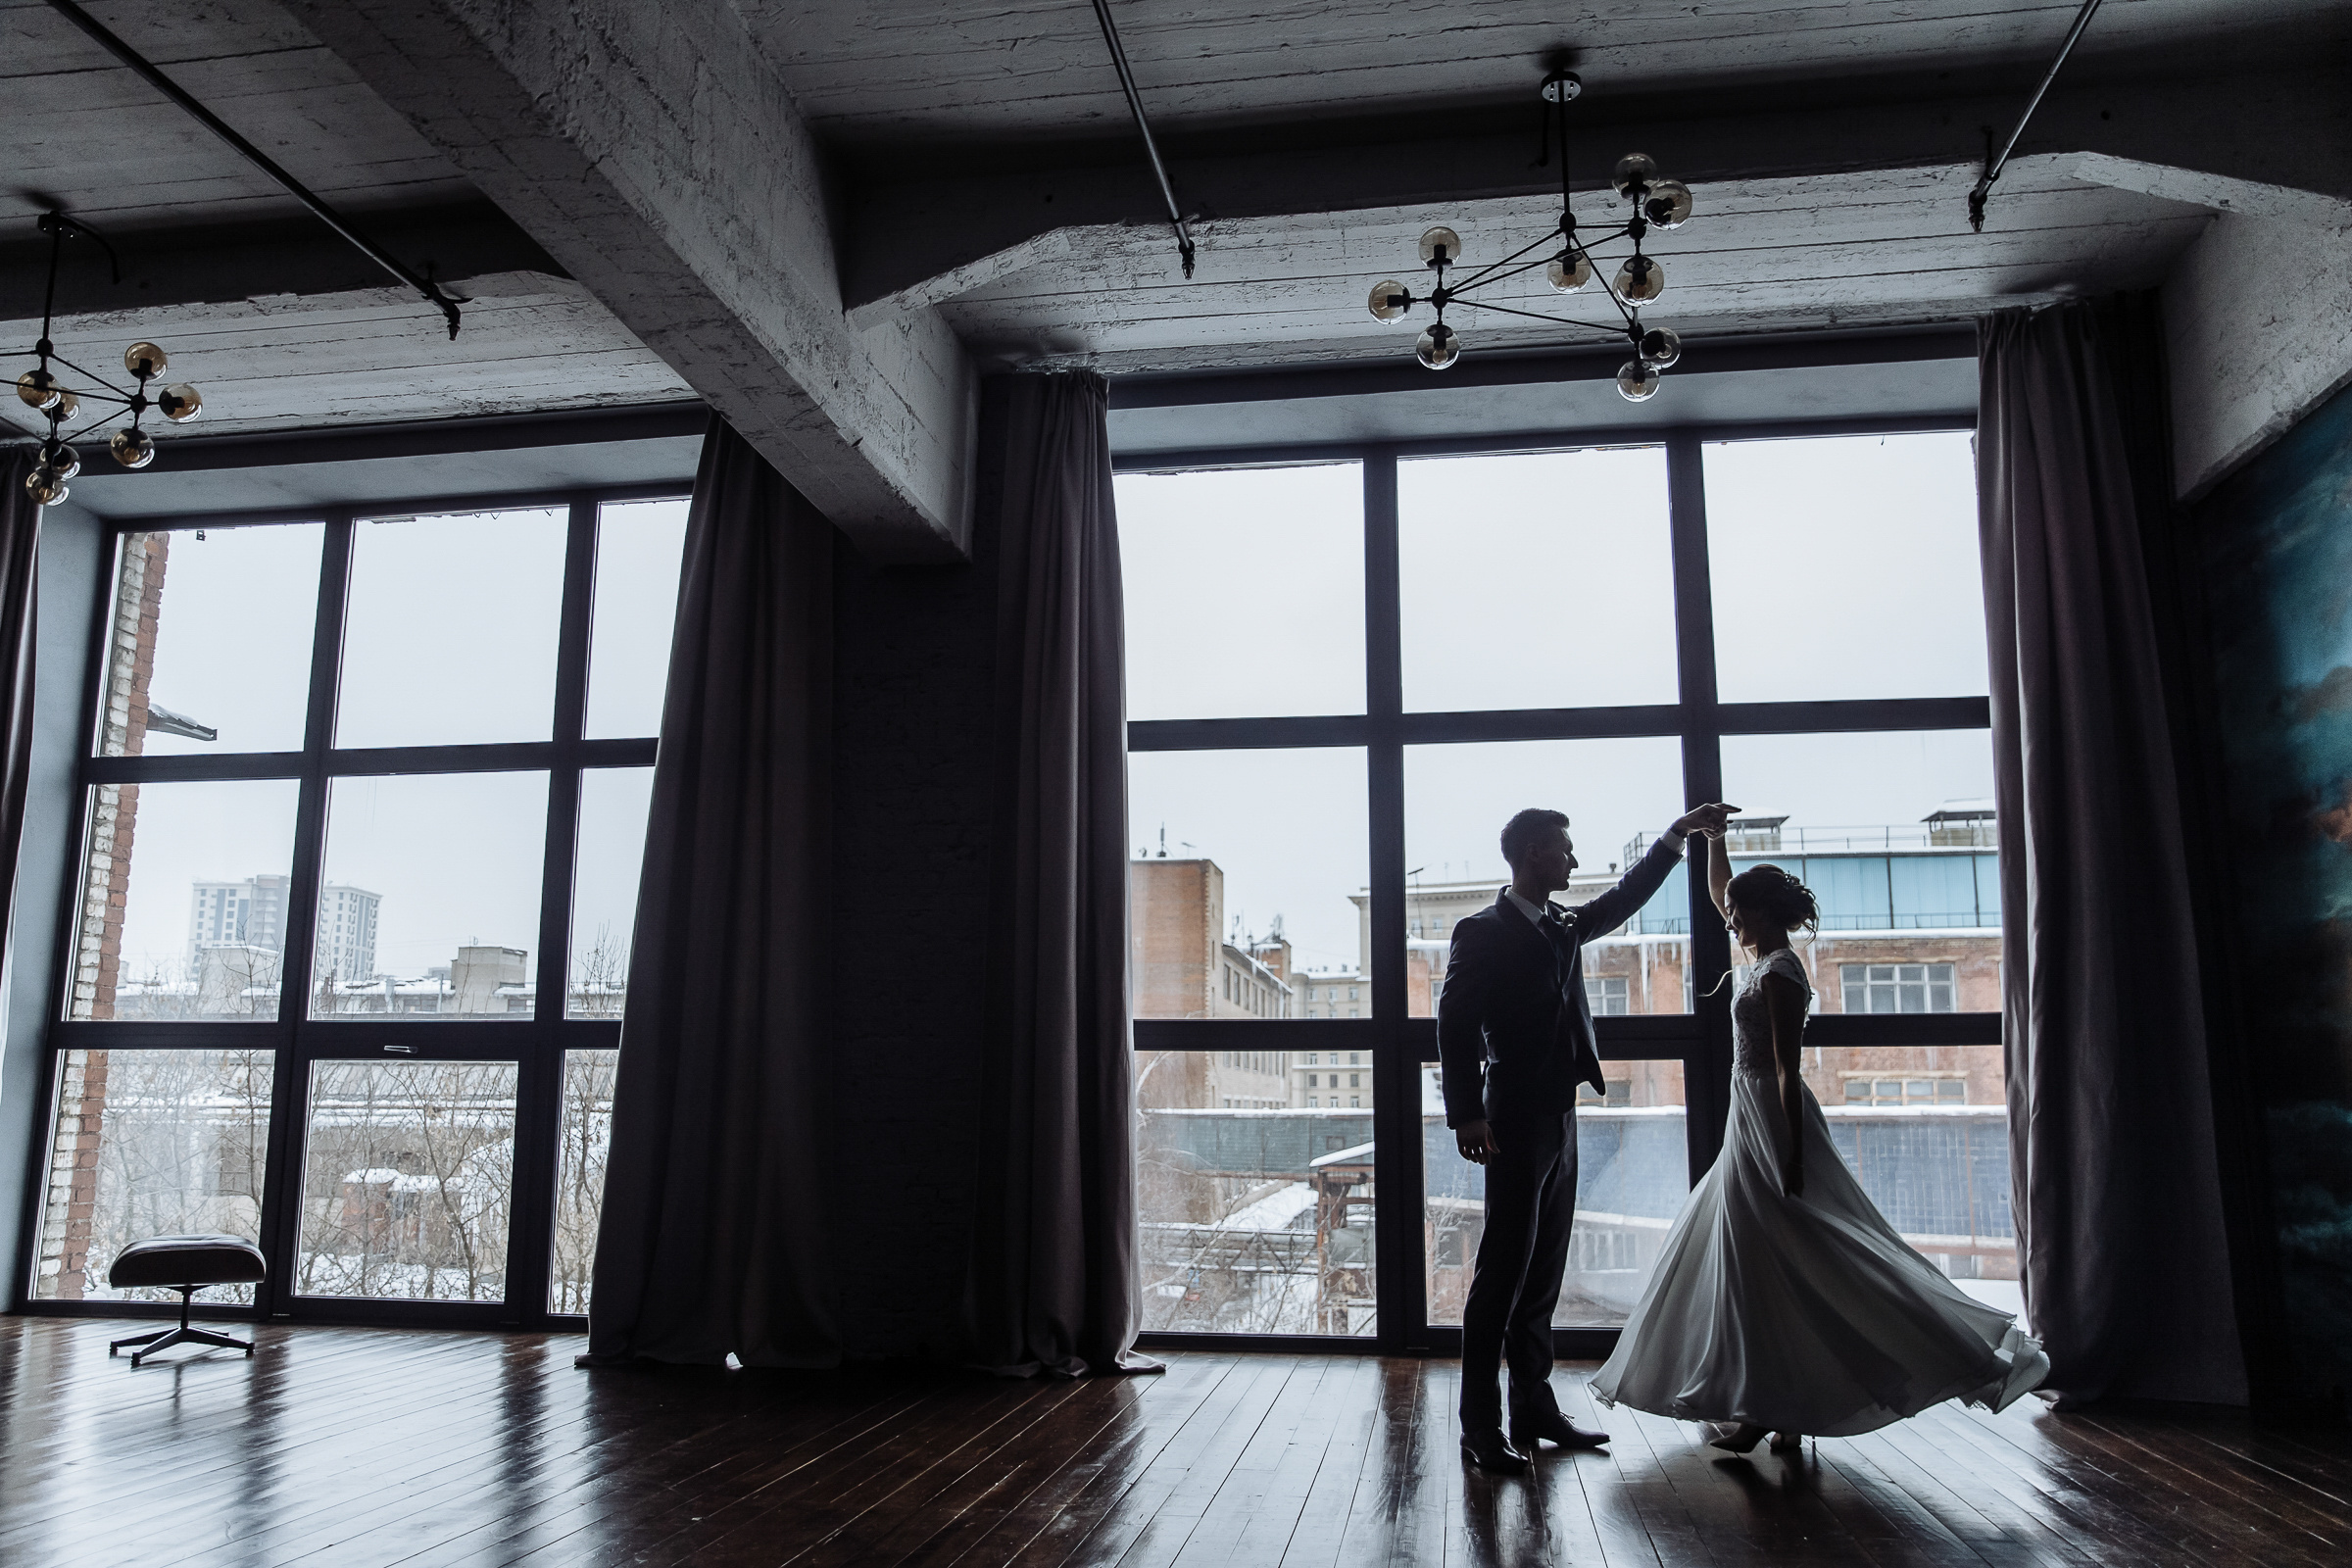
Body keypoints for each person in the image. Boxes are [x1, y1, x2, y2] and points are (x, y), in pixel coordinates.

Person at [1588, 840, 2049, 1453]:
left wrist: (1796, 1155)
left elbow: (1786, 1069)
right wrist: (1714, 843)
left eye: (1737, 914)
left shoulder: (1780, 973)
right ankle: (1776, 1405)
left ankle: (1782, 1403)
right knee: (1764, 1264)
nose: (1729, 920)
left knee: (1789, 1256)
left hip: (1772, 1123)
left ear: (1762, 915)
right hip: (1747, 1117)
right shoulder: (1758, 960)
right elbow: (1721, 890)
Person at [1439, 801, 1735, 1473]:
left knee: (1542, 1275)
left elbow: (1624, 899)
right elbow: (1454, 1028)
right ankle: (1480, 1427)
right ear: (1533, 855)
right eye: (1564, 849)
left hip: (1561, 1119)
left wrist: (1676, 836)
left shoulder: (1563, 925)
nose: (1573, 860)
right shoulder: (1479, 932)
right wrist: (1467, 1116)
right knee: (1500, 1280)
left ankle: (1534, 1410)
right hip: (1510, 1123)